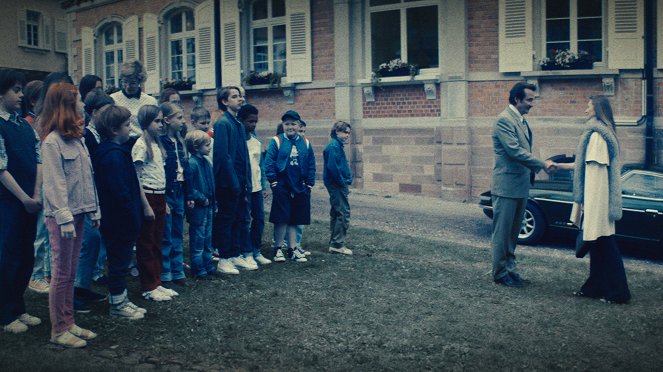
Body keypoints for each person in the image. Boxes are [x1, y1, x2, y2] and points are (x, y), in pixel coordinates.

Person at [39, 82, 100, 348]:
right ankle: (58, 329)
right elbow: (54, 184)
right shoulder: (52, 143)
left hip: (80, 214)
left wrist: (94, 209)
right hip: (62, 219)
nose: (84, 105)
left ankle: (69, 321)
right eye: (79, 101)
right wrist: (63, 218)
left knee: (71, 272)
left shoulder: (78, 140)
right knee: (61, 273)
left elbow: (88, 179)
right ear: (66, 105)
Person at [562, 96, 630, 304]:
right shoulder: (599, 134)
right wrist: (559, 166)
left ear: (598, 109)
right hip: (598, 202)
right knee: (600, 247)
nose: (585, 110)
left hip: (598, 203)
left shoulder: (596, 137)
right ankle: (594, 287)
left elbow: (595, 175)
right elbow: (587, 169)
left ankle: (618, 293)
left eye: (589, 106)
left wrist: (589, 207)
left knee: (605, 246)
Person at [490, 82, 555, 287]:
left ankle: (510, 270)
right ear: (517, 99)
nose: (532, 104)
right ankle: (500, 274)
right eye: (529, 100)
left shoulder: (521, 120)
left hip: (520, 186)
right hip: (506, 187)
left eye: (533, 100)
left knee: (513, 233)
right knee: (502, 234)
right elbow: (514, 151)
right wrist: (542, 164)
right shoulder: (504, 120)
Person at [93, 105, 146, 319]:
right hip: (119, 220)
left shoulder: (113, 151)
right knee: (119, 262)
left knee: (120, 260)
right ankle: (117, 304)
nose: (130, 129)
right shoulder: (112, 156)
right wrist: (132, 215)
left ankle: (120, 297)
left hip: (118, 219)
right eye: (126, 125)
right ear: (114, 130)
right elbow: (120, 191)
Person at [0, 69, 42, 334]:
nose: (21, 95)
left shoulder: (24, 125)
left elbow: (38, 159)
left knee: (26, 254)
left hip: (29, 201)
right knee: (7, 256)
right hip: (8, 202)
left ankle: (18, 306)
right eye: (16, 90)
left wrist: (35, 195)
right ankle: (5, 314)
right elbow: (1, 168)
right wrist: (24, 198)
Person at [29, 72, 74, 295]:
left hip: (60, 178)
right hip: (46, 178)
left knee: (53, 232)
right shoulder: (42, 120)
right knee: (43, 230)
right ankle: (37, 274)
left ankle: (49, 272)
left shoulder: (64, 118)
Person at [73, 89, 114, 313]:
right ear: (95, 112)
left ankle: (83, 285)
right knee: (86, 241)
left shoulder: (98, 135)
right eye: (105, 112)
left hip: (95, 195)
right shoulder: (86, 136)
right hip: (85, 196)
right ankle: (76, 290)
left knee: (93, 241)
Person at [133, 105, 178, 301]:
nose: (161, 125)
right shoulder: (141, 145)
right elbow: (136, 178)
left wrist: (164, 201)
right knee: (146, 243)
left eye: (161, 121)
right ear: (145, 123)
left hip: (160, 197)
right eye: (157, 121)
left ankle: (157, 282)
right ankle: (148, 285)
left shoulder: (158, 145)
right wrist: (145, 205)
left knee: (158, 241)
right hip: (147, 198)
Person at [212, 86, 256, 274]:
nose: (240, 99)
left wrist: (245, 180)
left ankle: (235, 254)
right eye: (235, 96)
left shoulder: (237, 123)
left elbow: (242, 156)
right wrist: (233, 182)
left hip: (240, 181)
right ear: (224, 101)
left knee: (239, 218)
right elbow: (223, 156)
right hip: (229, 183)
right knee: (227, 219)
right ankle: (224, 258)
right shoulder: (223, 124)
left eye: (241, 96)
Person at [265, 110, 316, 263]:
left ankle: (292, 249)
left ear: (299, 125)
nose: (290, 127)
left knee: (295, 218)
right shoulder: (277, 141)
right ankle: (278, 248)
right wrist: (274, 182)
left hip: (299, 185)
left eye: (293, 124)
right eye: (287, 124)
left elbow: (311, 164)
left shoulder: (305, 143)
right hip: (282, 184)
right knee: (282, 217)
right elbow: (269, 162)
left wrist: (309, 184)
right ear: (283, 125)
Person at [160, 102, 191, 287]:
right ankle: (165, 273)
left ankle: (177, 270)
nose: (182, 121)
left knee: (178, 231)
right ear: (167, 120)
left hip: (180, 190)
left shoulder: (181, 141)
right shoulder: (161, 141)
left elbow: (185, 169)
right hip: (167, 191)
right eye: (179, 118)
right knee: (166, 233)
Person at [238, 104, 271, 265]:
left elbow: (261, 166)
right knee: (244, 220)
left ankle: (256, 249)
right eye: (250, 121)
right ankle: (246, 251)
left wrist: (263, 186)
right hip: (244, 188)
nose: (253, 125)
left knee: (259, 219)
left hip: (257, 188)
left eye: (255, 122)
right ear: (241, 120)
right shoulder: (237, 142)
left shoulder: (256, 142)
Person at [185, 130, 217, 278]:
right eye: (207, 145)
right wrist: (201, 198)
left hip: (209, 205)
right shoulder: (191, 164)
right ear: (196, 147)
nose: (209, 147)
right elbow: (190, 187)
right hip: (199, 208)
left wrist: (213, 201)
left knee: (207, 238)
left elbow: (212, 183)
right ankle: (198, 268)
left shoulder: (206, 162)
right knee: (198, 238)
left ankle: (208, 265)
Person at [323, 121, 354, 255]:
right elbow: (333, 168)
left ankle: (334, 242)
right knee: (343, 212)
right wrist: (342, 182)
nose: (347, 135)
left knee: (336, 212)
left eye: (348, 133)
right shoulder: (333, 146)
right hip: (336, 185)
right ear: (337, 132)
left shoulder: (337, 145)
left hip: (338, 184)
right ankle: (337, 244)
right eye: (345, 132)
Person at [110, 60, 158, 138]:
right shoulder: (113, 98)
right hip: (122, 143)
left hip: (144, 142)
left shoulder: (150, 101)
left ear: (140, 81)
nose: (128, 86)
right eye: (125, 82)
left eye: (132, 83)